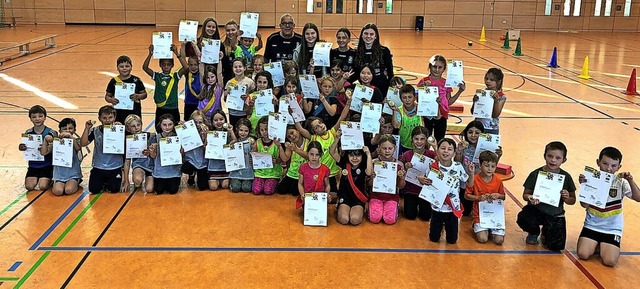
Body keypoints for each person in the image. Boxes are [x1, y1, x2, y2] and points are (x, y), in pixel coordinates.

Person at [576, 147, 640, 266]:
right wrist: (585, 187)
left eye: (613, 166)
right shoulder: (590, 178)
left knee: (609, 261)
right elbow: (584, 204)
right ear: (598, 162)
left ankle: (603, 245)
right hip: (592, 225)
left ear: (619, 167)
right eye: (605, 164)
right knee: (583, 254)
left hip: (612, 229)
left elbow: (638, 198)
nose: (609, 169)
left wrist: (630, 180)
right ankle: (597, 243)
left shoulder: (621, 182)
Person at [516, 141, 577, 251]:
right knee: (524, 218)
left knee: (556, 246)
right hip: (536, 210)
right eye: (550, 156)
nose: (553, 160)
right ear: (544, 156)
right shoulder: (535, 174)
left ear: (564, 160)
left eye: (558, 158)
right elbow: (525, 194)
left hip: (555, 214)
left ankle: (546, 233)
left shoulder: (566, 177)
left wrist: (567, 197)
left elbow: (573, 200)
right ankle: (534, 232)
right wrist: (530, 197)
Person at [420, 139, 474, 244]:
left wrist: (471, 173)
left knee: (452, 240)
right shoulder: (433, 166)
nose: (446, 151)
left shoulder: (458, 167)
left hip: (453, 207)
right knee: (434, 238)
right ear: (438, 150)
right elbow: (425, 181)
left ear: (454, 153)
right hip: (437, 207)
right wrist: (421, 179)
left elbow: (469, 184)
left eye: (449, 149)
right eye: (443, 148)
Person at [455, 120, 502, 216]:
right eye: (470, 132)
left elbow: (493, 164)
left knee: (482, 210)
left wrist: (498, 155)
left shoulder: (489, 147)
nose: (473, 135)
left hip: (482, 185)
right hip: (466, 184)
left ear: (482, 134)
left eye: (477, 133)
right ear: (466, 133)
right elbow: (457, 163)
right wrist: (459, 151)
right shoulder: (464, 146)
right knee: (466, 212)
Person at [417, 55, 466, 141]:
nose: (436, 69)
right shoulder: (424, 81)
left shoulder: (446, 83)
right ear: (430, 67)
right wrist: (422, 89)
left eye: (440, 67)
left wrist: (459, 91)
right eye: (434, 66)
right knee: (425, 141)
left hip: (442, 115)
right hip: (427, 116)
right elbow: (418, 100)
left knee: (440, 140)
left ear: (444, 69)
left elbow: (449, 102)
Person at [80, 105, 125, 194]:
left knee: (114, 189)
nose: (108, 120)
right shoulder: (95, 130)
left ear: (115, 118)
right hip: (99, 166)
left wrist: (120, 131)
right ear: (99, 119)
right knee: (94, 189)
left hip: (115, 166)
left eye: (110, 117)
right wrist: (87, 128)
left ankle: (114, 179)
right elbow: (83, 143)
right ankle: (103, 181)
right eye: (104, 118)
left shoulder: (119, 129)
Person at [465, 151, 506, 244]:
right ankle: (476, 225)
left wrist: (498, 196)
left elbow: (503, 197)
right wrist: (478, 198)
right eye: (486, 165)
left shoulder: (498, 181)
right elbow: (466, 195)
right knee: (483, 239)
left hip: (495, 215)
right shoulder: (474, 179)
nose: (489, 169)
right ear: (480, 165)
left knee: (499, 240)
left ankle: (491, 230)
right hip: (480, 215)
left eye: (493, 166)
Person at [329, 136, 372, 226]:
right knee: (344, 219)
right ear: (347, 155)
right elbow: (332, 152)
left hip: (358, 199)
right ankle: (339, 205)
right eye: (351, 155)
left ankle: (359, 210)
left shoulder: (364, 165)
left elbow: (369, 172)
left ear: (362, 156)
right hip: (344, 197)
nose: (354, 158)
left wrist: (368, 154)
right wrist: (337, 137)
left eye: (358, 155)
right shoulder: (344, 163)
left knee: (354, 220)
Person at [142, 43, 187, 126]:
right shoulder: (157, 76)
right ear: (160, 65)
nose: (166, 67)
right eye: (164, 64)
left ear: (172, 65)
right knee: (159, 129)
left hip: (173, 108)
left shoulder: (175, 76)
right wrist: (150, 54)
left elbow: (186, 67)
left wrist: (176, 53)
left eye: (169, 64)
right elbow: (145, 68)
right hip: (161, 108)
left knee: (175, 129)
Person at [399, 126, 437, 221]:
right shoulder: (406, 155)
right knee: (410, 215)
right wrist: (406, 167)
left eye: (422, 139)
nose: (419, 142)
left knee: (425, 217)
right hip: (410, 190)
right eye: (416, 139)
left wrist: (435, 146)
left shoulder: (431, 154)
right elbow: (401, 172)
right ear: (412, 139)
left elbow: (441, 162)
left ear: (426, 140)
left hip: (425, 190)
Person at [18, 105, 58, 191]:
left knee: (43, 186)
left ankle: (51, 178)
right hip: (33, 165)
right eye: (34, 117)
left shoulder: (51, 132)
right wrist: (22, 147)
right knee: (29, 187)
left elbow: (54, 149)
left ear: (45, 118)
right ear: (30, 119)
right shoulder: (28, 133)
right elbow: (25, 146)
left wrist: (47, 146)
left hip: (47, 165)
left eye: (40, 116)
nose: (37, 119)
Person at [369, 135, 406, 224]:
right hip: (375, 196)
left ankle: (393, 208)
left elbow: (400, 186)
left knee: (389, 220)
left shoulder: (399, 164)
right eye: (384, 148)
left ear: (395, 148)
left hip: (392, 197)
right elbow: (369, 185)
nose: (387, 151)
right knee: (375, 218)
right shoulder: (374, 163)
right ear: (379, 148)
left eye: (390, 148)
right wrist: (371, 178)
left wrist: (401, 178)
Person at [40, 118, 82, 196]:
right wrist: (45, 141)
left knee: (68, 190)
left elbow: (78, 148)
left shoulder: (76, 141)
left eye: (70, 128)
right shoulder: (56, 142)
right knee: (58, 191)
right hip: (59, 174)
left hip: (73, 174)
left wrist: (70, 137)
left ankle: (77, 181)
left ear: (74, 130)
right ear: (60, 131)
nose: (67, 131)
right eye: (64, 129)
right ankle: (54, 182)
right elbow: (43, 153)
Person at [104, 55, 147, 125]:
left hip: (134, 112)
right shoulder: (114, 81)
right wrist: (111, 100)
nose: (124, 68)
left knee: (134, 130)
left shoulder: (136, 80)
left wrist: (138, 96)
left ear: (131, 67)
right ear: (117, 68)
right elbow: (107, 96)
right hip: (118, 112)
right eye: (121, 66)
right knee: (119, 130)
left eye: (127, 66)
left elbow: (144, 94)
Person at [353, 23, 393, 96]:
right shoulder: (356, 52)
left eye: (371, 34)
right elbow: (355, 72)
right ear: (362, 35)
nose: (368, 36)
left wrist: (389, 92)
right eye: (366, 33)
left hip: (381, 87)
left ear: (375, 36)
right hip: (363, 88)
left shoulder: (384, 51)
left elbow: (390, 73)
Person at [147, 114, 183, 195]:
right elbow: (153, 157)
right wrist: (152, 151)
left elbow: (183, 156)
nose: (167, 127)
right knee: (159, 190)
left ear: (174, 125)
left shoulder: (178, 138)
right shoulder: (155, 138)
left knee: (173, 190)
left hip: (174, 171)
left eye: (170, 124)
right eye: (164, 125)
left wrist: (182, 152)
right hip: (160, 171)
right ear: (160, 125)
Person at [252, 116, 286, 195]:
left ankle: (277, 181)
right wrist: (253, 151)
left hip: (273, 173)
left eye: (266, 129)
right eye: (262, 130)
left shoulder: (277, 143)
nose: (264, 132)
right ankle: (263, 182)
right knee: (256, 191)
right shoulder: (258, 142)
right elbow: (255, 157)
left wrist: (277, 160)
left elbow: (282, 159)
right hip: (260, 172)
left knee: (267, 191)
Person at [122, 114, 153, 193]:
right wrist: (126, 181)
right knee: (137, 180)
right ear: (128, 129)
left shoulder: (151, 136)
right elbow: (127, 161)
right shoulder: (129, 141)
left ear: (141, 125)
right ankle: (138, 180)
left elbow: (156, 155)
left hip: (152, 166)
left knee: (149, 189)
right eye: (133, 126)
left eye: (138, 125)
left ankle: (150, 178)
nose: (136, 128)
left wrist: (150, 152)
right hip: (139, 165)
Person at [207, 109, 237, 191]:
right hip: (213, 166)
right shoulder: (209, 133)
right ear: (212, 122)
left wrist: (231, 131)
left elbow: (235, 141)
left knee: (225, 185)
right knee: (213, 187)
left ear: (225, 120)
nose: (219, 122)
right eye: (215, 120)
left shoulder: (227, 132)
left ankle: (223, 179)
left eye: (221, 119)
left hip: (224, 166)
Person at [180, 110, 209, 191]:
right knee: (184, 168)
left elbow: (206, 150)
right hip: (191, 160)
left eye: (200, 122)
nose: (198, 125)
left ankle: (198, 173)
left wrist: (205, 138)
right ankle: (192, 174)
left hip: (203, 162)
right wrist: (182, 128)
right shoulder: (187, 130)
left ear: (204, 122)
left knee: (202, 187)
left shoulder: (207, 132)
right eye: (195, 122)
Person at [471, 68, 506, 135]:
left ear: (498, 81)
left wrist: (496, 102)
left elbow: (495, 115)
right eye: (486, 78)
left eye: (491, 80)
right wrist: (474, 102)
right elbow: (473, 112)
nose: (488, 81)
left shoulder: (501, 96)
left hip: (491, 129)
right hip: (478, 127)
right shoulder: (481, 94)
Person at [391, 84, 424, 153]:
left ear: (414, 97)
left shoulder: (421, 108)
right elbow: (396, 126)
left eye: (410, 97)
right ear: (400, 99)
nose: (407, 100)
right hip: (405, 145)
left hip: (420, 144)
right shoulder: (399, 111)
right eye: (404, 97)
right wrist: (394, 110)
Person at [223, 58, 256, 126]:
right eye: (235, 67)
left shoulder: (250, 82)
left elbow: (254, 97)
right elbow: (225, 99)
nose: (238, 69)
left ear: (244, 68)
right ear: (232, 68)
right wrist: (226, 94)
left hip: (245, 113)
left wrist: (247, 98)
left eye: (240, 66)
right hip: (232, 112)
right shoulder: (229, 82)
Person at [278, 125, 309, 196]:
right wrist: (279, 146)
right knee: (281, 190)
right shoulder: (290, 145)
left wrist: (296, 150)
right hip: (292, 173)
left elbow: (309, 157)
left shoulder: (308, 142)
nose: (292, 136)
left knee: (294, 192)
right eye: (289, 136)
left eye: (292, 133)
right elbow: (285, 158)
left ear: (298, 131)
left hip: (303, 174)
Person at [228, 118, 254, 193]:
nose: (243, 133)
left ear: (249, 131)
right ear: (237, 129)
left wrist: (253, 148)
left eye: (246, 131)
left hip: (248, 170)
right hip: (236, 170)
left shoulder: (251, 141)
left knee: (246, 188)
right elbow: (235, 142)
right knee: (236, 188)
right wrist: (231, 131)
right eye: (241, 130)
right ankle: (232, 182)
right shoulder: (234, 141)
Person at [196, 54, 224, 119]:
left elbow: (219, 73)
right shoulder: (204, 85)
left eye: (212, 77)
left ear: (216, 77)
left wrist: (219, 60)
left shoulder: (219, 86)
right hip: (202, 116)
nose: (210, 79)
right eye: (208, 78)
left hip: (214, 117)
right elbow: (201, 72)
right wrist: (200, 61)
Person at [221, 19, 241, 84]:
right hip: (227, 79)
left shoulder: (242, 46)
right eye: (228, 30)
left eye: (233, 30)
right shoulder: (222, 46)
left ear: (237, 31)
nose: (230, 32)